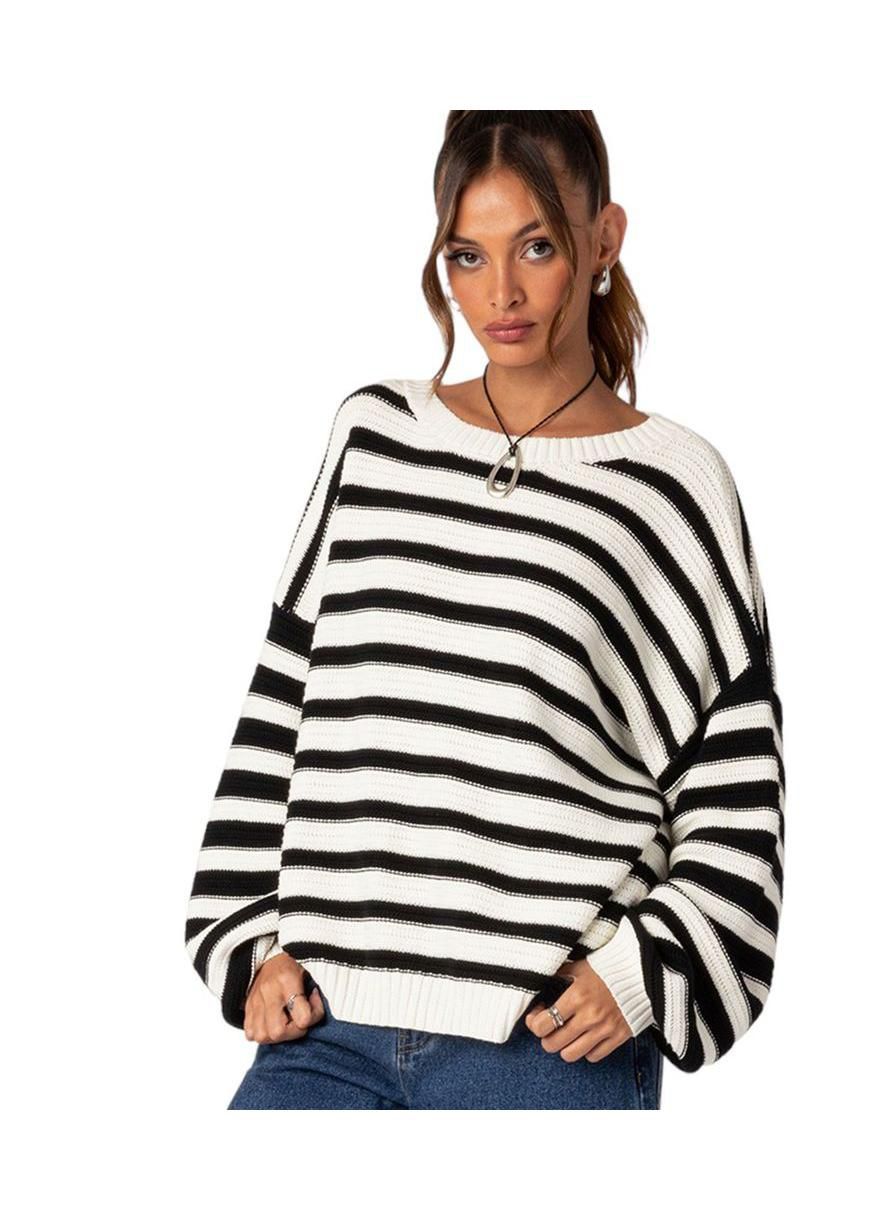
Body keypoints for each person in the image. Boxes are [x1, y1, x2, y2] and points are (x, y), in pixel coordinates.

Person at [184, 110, 785, 1110]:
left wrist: (640, 974)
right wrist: (250, 938)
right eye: (468, 255)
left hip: (540, 1049)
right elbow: (284, 700)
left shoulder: (672, 487)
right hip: (324, 1029)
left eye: (536, 247)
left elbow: (735, 790)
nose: (499, 293)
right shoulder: (375, 434)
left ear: (605, 239)